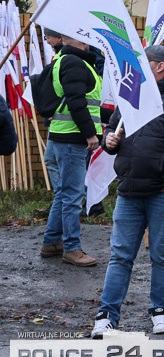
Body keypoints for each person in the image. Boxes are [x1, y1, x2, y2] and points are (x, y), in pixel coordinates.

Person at [90, 46, 164, 338]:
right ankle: (107, 315)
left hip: (163, 194)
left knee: (162, 255)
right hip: (130, 190)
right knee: (120, 255)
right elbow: (111, 131)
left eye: (144, 63)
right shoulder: (132, 91)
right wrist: (109, 142)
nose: (137, 68)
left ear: (159, 68)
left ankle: (160, 311)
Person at [40, 35, 102, 268]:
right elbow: (77, 103)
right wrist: (89, 134)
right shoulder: (75, 62)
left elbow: (82, 103)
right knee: (73, 196)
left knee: (65, 194)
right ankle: (72, 248)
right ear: (81, 40)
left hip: (63, 136)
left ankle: (51, 242)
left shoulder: (63, 60)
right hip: (72, 139)